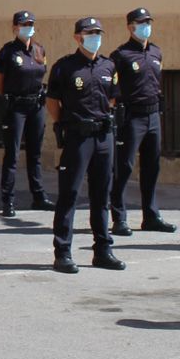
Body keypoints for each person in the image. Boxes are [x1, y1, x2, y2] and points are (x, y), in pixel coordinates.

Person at [46, 17, 122, 274]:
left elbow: (112, 99)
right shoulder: (65, 67)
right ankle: (63, 252)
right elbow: (53, 102)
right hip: (78, 137)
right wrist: (67, 124)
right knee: (69, 194)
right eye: (89, 33)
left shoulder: (108, 66)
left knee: (102, 196)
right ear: (78, 37)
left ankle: (103, 250)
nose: (95, 37)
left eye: (98, 32)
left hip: (103, 136)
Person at [109, 9, 176, 236]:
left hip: (153, 115)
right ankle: (119, 217)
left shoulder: (156, 52)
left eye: (148, 22)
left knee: (152, 167)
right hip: (131, 117)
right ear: (130, 26)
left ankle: (151, 215)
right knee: (124, 167)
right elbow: (112, 89)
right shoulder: (121, 55)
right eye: (141, 22)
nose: (146, 26)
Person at [0, 11, 53, 216]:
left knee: (35, 153)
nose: (27, 27)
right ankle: (8, 200)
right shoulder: (8, 52)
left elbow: (41, 72)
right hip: (16, 107)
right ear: (15, 27)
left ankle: (38, 196)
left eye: (30, 24)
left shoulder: (39, 50)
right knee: (12, 154)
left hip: (36, 106)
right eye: (23, 24)